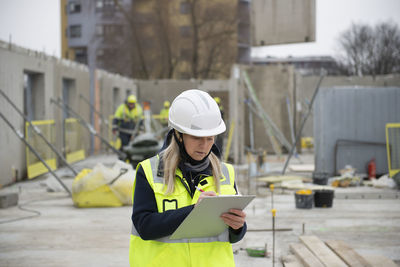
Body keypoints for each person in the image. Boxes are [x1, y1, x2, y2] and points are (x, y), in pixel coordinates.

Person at [129, 89, 247, 267]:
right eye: (197, 137)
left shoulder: (225, 173)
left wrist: (238, 227)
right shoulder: (149, 171)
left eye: (210, 138)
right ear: (178, 134)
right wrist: (192, 212)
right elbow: (144, 226)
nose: (205, 146)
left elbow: (231, 236)